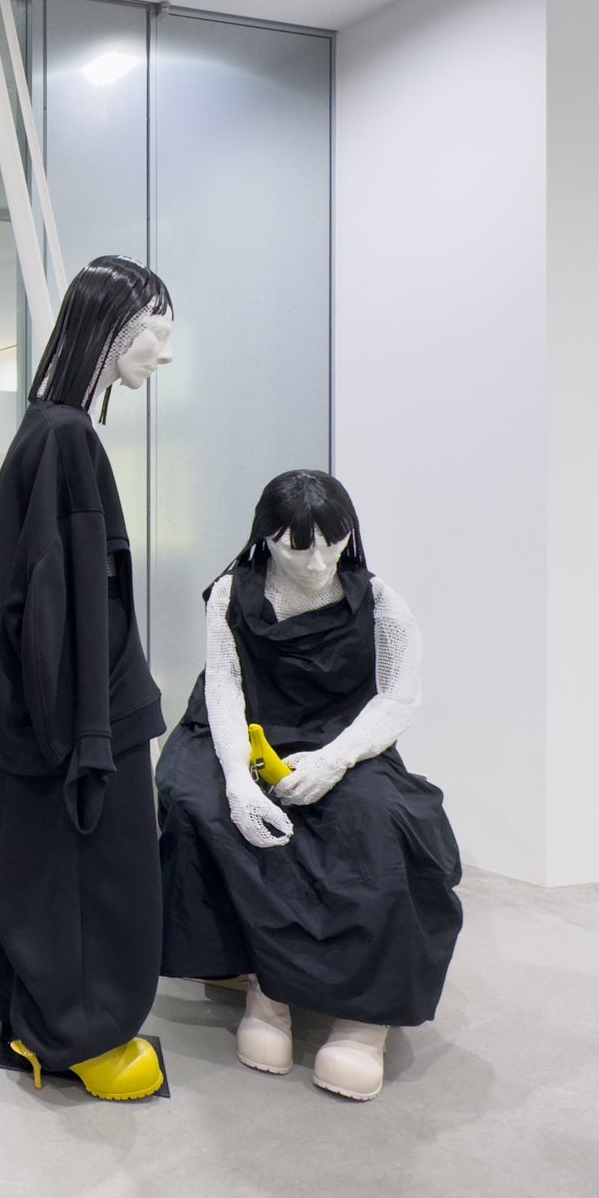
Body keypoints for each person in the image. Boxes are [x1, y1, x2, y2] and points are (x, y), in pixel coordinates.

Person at [156, 470, 462, 1100]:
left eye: (333, 542)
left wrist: (334, 761)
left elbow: (398, 698)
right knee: (202, 805)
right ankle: (264, 984)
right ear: (265, 538)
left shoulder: (382, 602)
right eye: (299, 547)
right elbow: (223, 687)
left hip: (340, 738)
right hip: (247, 731)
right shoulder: (231, 594)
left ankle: (365, 1014)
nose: (319, 562)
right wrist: (238, 781)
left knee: (374, 822)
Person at [0, 256, 175, 1100]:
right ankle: (81, 1038)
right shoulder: (66, 438)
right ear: (115, 329)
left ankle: (36, 1016)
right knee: (100, 879)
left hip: (57, 714)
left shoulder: (45, 428)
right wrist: (85, 737)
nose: (164, 352)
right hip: (81, 718)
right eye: (156, 332)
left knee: (43, 871)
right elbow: (66, 605)